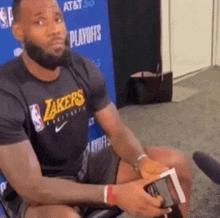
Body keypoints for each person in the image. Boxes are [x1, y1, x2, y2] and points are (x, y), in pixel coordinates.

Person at [0, 0, 192, 217]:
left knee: (176, 165)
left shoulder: (81, 67)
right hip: (38, 192)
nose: (55, 30)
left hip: (82, 167)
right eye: (40, 21)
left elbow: (116, 131)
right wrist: (113, 194)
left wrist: (141, 160)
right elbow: (31, 187)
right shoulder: (6, 91)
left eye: (57, 19)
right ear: (19, 31)